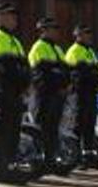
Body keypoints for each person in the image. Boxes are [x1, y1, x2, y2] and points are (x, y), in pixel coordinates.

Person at [0, 2, 30, 181]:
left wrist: (25, 83)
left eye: (15, 16)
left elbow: (23, 66)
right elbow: (0, 69)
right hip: (3, 91)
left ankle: (9, 166)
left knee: (14, 129)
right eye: (10, 16)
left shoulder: (15, 40)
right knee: (2, 128)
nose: (14, 19)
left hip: (16, 92)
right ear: (0, 17)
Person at [28, 17, 69, 171]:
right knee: (40, 129)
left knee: (53, 129)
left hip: (58, 96)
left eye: (56, 29)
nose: (56, 32)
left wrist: (65, 85)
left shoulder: (58, 49)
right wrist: (57, 85)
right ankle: (38, 161)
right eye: (53, 29)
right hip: (43, 97)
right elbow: (40, 75)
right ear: (43, 31)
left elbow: (65, 71)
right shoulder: (38, 48)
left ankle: (51, 160)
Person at [65, 24, 98, 170]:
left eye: (89, 33)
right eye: (86, 34)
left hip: (91, 93)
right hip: (79, 94)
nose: (89, 36)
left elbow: (95, 70)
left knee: (89, 126)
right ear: (78, 35)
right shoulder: (74, 51)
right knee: (78, 125)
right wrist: (92, 76)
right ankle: (76, 158)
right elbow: (76, 75)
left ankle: (88, 157)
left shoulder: (89, 51)